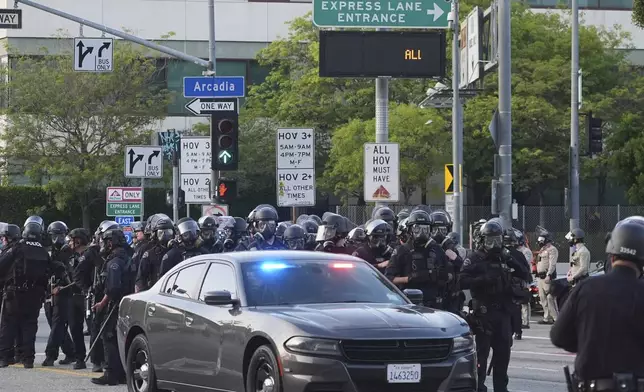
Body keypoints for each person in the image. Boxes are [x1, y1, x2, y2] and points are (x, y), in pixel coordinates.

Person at [551, 216, 644, 390]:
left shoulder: (587, 288)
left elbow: (559, 336)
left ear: (611, 254)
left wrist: (589, 342)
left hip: (592, 385)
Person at [459, 220, 529, 392]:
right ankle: (479, 386)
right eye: (490, 240)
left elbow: (525, 274)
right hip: (484, 313)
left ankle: (500, 387)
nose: (494, 244)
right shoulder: (475, 258)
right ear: (482, 240)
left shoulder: (505, 257)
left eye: (497, 240)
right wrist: (482, 280)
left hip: (503, 312)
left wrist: (510, 259)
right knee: (482, 355)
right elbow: (461, 280)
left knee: (503, 354)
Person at [0, 219, 57, 368]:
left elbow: (2, 265)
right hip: (35, 295)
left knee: (9, 324)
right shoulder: (44, 251)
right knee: (30, 326)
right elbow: (51, 270)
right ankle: (28, 359)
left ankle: (5, 357)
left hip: (15, 293)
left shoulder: (17, 247)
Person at [385, 210, 450, 309]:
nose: (422, 233)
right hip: (409, 304)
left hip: (433, 304)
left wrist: (440, 275)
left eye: (425, 229)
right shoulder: (402, 250)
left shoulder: (437, 250)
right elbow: (388, 279)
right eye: (417, 229)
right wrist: (409, 278)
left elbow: (449, 276)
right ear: (410, 230)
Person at [90, 228, 129, 385]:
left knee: (109, 337)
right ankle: (121, 374)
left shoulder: (114, 262)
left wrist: (102, 302)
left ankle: (111, 374)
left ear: (110, 243)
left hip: (115, 305)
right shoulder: (128, 257)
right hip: (126, 304)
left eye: (105, 242)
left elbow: (113, 288)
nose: (103, 245)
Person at [43, 221, 76, 367]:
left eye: (60, 235)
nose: (57, 238)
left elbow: (72, 273)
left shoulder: (69, 252)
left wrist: (62, 285)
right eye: (54, 235)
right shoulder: (49, 252)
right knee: (56, 325)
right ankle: (70, 352)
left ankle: (50, 355)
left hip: (63, 292)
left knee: (57, 324)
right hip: (50, 292)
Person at [136, 215, 174, 291]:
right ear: (155, 234)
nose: (165, 236)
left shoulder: (177, 251)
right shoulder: (149, 254)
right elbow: (140, 279)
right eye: (161, 233)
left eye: (168, 232)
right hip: (155, 292)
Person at [535, 227, 559, 324]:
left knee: (550, 297)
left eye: (542, 239)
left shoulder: (552, 250)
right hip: (540, 276)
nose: (540, 241)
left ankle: (555, 318)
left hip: (547, 276)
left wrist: (549, 274)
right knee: (542, 297)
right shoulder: (542, 250)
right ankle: (547, 317)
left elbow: (552, 263)